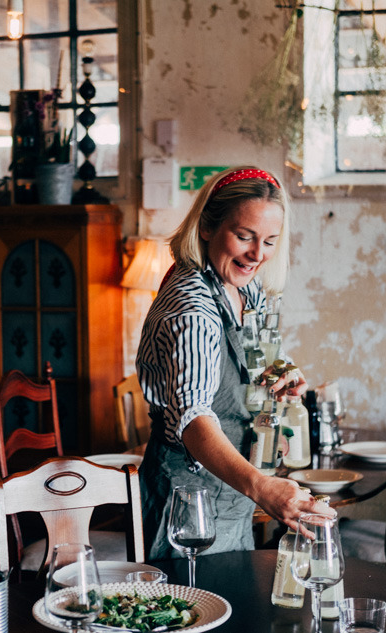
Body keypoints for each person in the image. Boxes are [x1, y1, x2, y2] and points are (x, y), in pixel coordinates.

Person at [136, 165, 333, 559]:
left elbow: (253, 356)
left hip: (233, 496)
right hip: (188, 505)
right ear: (207, 226)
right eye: (244, 236)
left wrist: (282, 371)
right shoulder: (190, 309)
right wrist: (262, 487)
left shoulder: (244, 287)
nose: (257, 255)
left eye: (270, 241)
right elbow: (192, 420)